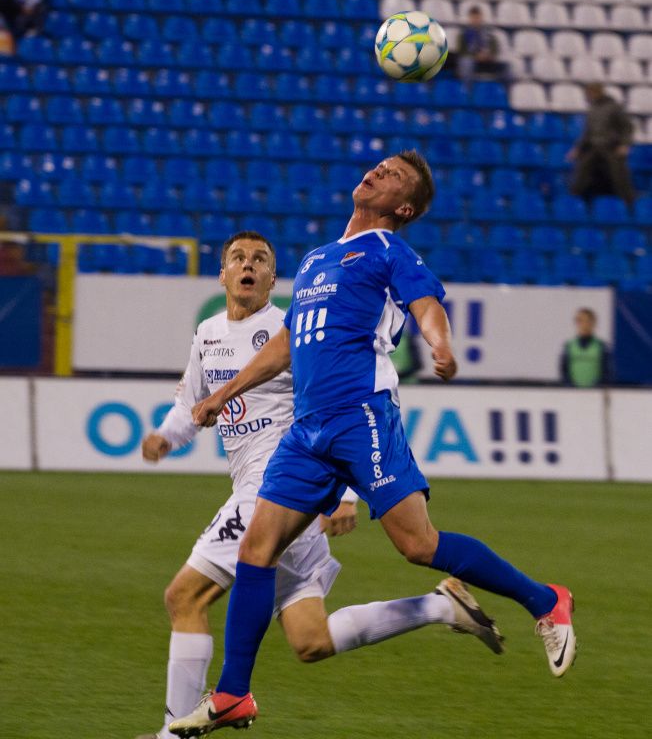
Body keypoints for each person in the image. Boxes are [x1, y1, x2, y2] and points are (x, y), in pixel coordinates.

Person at [169, 152, 577, 737]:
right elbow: (287, 345)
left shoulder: (388, 248)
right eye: (378, 167)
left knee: (417, 545)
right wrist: (221, 393)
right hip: (306, 430)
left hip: (361, 415)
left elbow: (426, 302)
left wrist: (440, 344)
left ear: (402, 207)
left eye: (392, 176)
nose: (376, 173)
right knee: (256, 550)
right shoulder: (315, 259)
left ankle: (547, 601)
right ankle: (234, 694)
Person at [137, 230, 504, 739]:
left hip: (279, 490)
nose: (248, 265)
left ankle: (171, 734)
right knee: (311, 641)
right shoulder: (208, 333)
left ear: (272, 277)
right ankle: (441, 605)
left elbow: (338, 409)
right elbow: (192, 404)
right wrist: (165, 436)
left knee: (185, 598)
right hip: (279, 502)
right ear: (222, 274)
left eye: (260, 259)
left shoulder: (293, 333)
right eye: (238, 258)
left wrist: (346, 493)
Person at [568, 83, 635, 206]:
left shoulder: (614, 107)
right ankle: (574, 200)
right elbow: (587, 132)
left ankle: (628, 204)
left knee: (618, 175)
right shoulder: (592, 109)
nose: (587, 96)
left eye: (589, 93)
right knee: (582, 172)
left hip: (610, 146)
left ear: (596, 92)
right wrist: (577, 149)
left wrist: (625, 144)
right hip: (593, 147)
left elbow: (627, 127)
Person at [560, 307, 612, 387]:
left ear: (593, 323)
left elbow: (607, 373)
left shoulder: (601, 347)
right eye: (580, 321)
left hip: (595, 394)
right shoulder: (569, 346)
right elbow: (564, 372)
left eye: (587, 321)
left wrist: (594, 388)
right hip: (573, 394)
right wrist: (571, 387)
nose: (584, 324)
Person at [455, 5, 506, 84]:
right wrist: (476, 56)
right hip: (472, 60)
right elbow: (461, 51)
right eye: (474, 18)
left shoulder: (488, 34)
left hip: (488, 59)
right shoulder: (463, 35)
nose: (476, 20)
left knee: (506, 67)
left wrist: (489, 55)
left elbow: (494, 48)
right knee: (466, 62)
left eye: (478, 17)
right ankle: (467, 90)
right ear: (470, 18)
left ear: (481, 18)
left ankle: (501, 92)